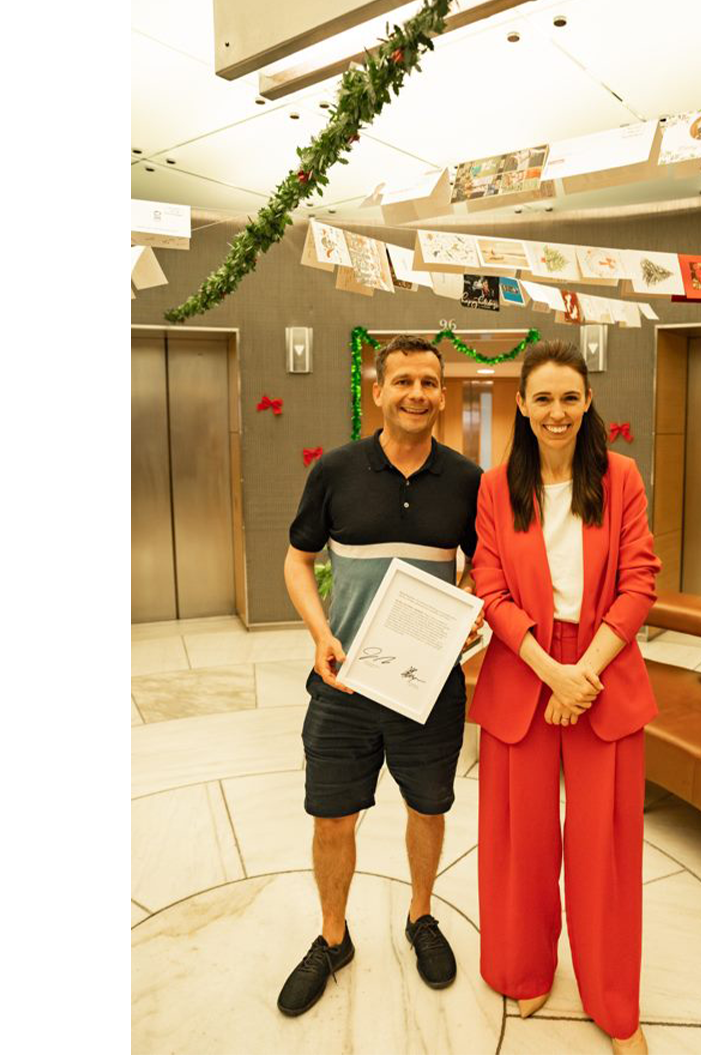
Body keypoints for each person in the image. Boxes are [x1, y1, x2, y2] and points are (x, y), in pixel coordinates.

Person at [278, 335, 484, 1016]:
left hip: (429, 685)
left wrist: (471, 613)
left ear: (442, 394)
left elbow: (487, 568)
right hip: (343, 684)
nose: (417, 393)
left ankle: (420, 917)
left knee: (428, 807)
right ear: (379, 391)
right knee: (333, 819)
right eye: (404, 381)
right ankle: (333, 938)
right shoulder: (336, 470)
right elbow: (297, 560)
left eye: (429, 382)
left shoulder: (464, 479)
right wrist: (320, 634)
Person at [471, 341, 660, 1054]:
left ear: (587, 403)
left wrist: (585, 672)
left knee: (604, 851)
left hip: (603, 670)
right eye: (542, 398)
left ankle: (615, 1002)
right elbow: (489, 586)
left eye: (569, 398)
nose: (556, 412)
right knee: (518, 842)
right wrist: (553, 670)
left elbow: (640, 581)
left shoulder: (620, 477)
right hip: (526, 671)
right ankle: (525, 971)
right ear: (521, 404)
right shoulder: (496, 487)